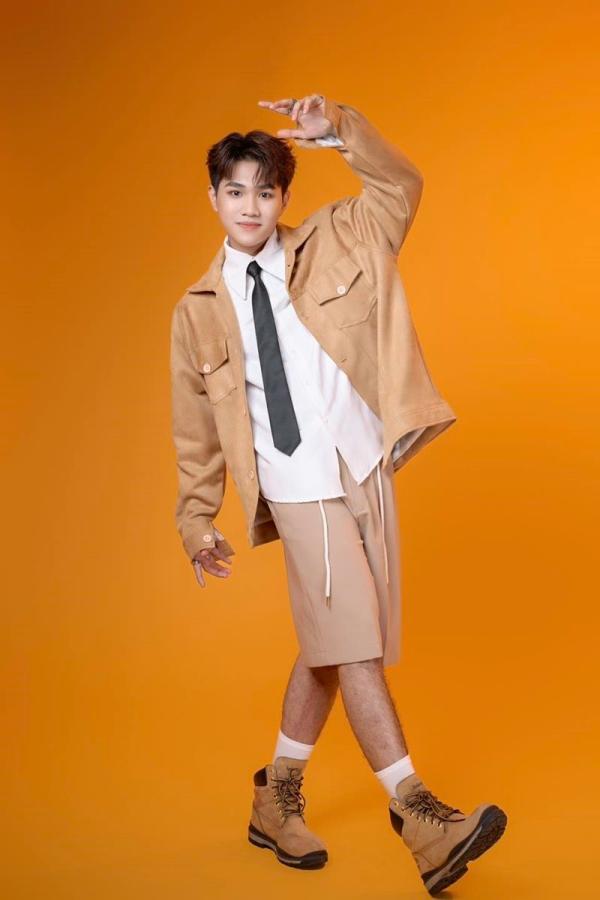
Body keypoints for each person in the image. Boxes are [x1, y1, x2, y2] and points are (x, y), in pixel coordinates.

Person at [169, 93, 507, 895]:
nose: (250, 206)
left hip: (362, 464)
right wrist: (196, 518)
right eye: (235, 190)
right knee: (353, 644)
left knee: (342, 642)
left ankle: (275, 798)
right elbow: (196, 428)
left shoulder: (341, 234)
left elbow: (402, 187)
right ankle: (419, 816)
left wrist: (341, 131)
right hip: (296, 483)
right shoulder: (198, 312)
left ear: (284, 197)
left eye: (265, 191)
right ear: (213, 197)